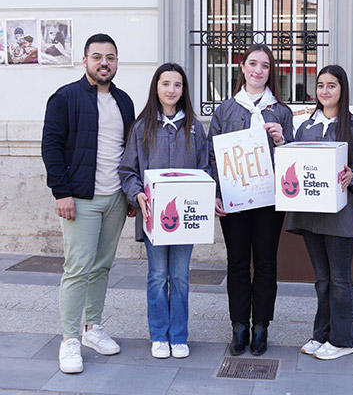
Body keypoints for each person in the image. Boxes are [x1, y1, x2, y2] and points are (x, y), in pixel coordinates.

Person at [42, 33, 135, 374]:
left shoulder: (124, 101)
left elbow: (129, 150)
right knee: (78, 268)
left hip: (115, 198)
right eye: (97, 57)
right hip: (80, 198)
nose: (104, 63)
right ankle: (69, 339)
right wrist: (61, 192)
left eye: (110, 57)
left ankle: (92, 328)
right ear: (85, 61)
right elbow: (51, 146)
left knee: (101, 267)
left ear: (116, 62)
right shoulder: (65, 98)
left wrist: (129, 193)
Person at [286, 65, 353, 360]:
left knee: (339, 278)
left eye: (332, 85)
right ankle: (321, 334)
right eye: (321, 85)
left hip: (341, 217)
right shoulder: (306, 127)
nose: (325, 91)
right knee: (322, 278)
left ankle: (343, 339)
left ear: (342, 90)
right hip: (312, 215)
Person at [119, 63, 209, 359]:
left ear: (184, 90)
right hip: (153, 218)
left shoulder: (195, 128)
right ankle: (159, 334)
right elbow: (128, 171)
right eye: (166, 83)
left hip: (185, 220)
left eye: (178, 85)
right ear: (156, 87)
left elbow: (205, 168)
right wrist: (136, 195)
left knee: (180, 276)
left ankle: (179, 335)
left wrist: (207, 194)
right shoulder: (142, 127)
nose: (172, 90)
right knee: (158, 275)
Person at [208, 44, 294, 356]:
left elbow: (293, 159)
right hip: (234, 199)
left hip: (269, 199)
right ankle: (239, 325)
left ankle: (261, 326)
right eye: (253, 64)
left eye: (265, 66)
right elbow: (212, 156)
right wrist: (215, 192)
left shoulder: (281, 112)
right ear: (242, 68)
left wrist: (281, 140)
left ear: (271, 72)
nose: (258, 70)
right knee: (238, 262)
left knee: (267, 262)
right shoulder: (225, 110)